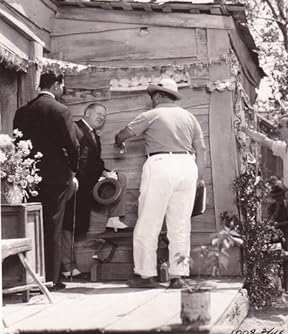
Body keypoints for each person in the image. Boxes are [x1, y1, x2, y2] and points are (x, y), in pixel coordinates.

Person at [114, 78, 206, 288]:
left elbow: (123, 134)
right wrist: (199, 178)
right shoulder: (189, 117)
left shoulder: (151, 114)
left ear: (158, 95)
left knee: (148, 220)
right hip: (187, 165)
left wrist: (118, 143)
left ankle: (145, 275)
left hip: (160, 163)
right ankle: (178, 276)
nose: (152, 99)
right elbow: (201, 149)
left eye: (153, 95)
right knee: (180, 224)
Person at [13, 71, 79, 290]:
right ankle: (51, 278)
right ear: (57, 85)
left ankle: (33, 275)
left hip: (29, 178)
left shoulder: (22, 112)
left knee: (31, 224)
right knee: (53, 226)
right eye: (63, 85)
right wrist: (73, 171)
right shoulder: (61, 110)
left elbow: (17, 144)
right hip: (57, 177)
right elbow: (73, 146)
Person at [62, 103, 128, 278]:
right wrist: (73, 177)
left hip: (90, 186)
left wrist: (105, 172)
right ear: (87, 113)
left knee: (120, 178)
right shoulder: (76, 128)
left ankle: (113, 219)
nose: (101, 117)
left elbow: (95, 161)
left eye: (104, 116)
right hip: (76, 185)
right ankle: (67, 267)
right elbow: (72, 156)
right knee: (69, 225)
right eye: (98, 113)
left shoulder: (94, 135)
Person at [241, 113, 288, 265]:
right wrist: (247, 131)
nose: (278, 130)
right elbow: (266, 141)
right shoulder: (285, 148)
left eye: (281, 126)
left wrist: (284, 185)